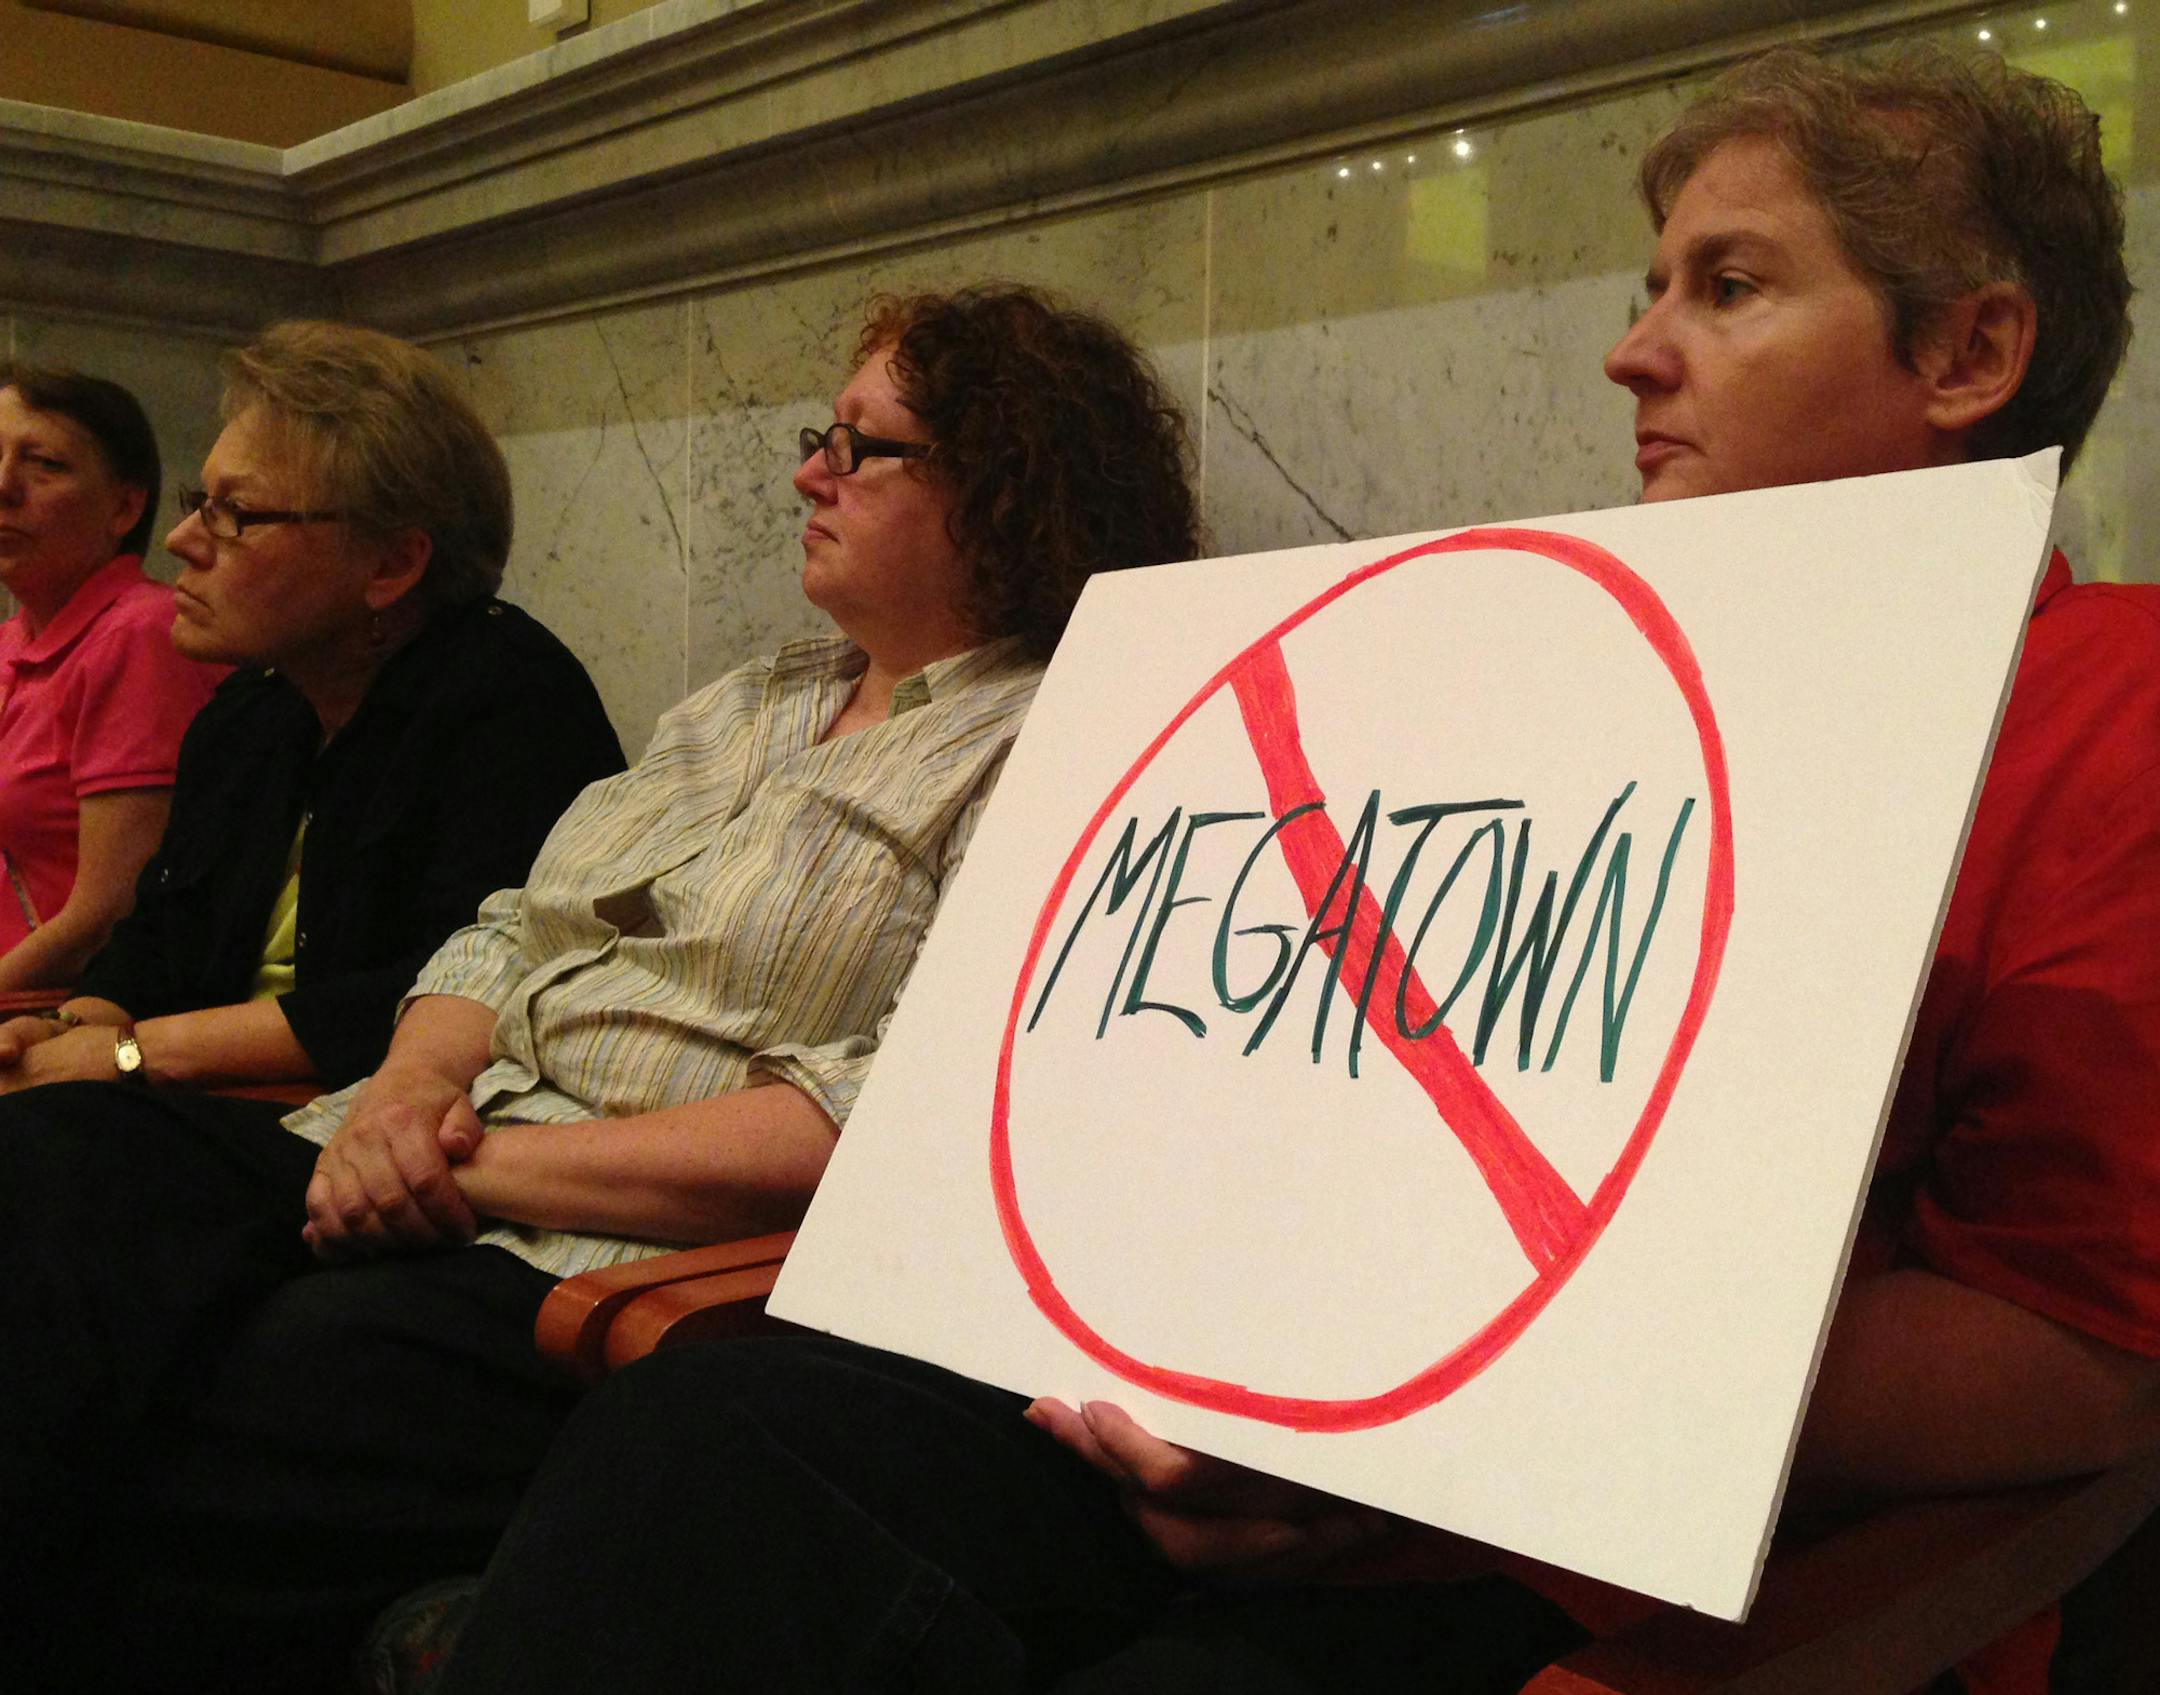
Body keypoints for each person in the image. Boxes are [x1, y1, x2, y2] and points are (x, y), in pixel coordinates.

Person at [430, 45, 2160, 1695]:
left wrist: (1390, 1420)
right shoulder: (1572, 671)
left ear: (1968, 353)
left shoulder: (2112, 715)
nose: (1635, 355)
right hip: (1226, 1419)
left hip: (1607, 1547)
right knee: (713, 1450)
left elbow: (2075, 1365)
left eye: (1726, 288)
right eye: (1652, 287)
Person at [0, 283, 1198, 1694]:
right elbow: (507, 928)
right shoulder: (751, 697)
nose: (809, 470)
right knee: (58, 1164)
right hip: (415, 1136)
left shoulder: (1067, 734)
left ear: (1007, 487)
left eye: (861, 446)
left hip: (602, 1254)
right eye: (822, 433)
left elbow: (887, 1110)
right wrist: (405, 1090)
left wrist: (486, 1165)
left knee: (242, 1390)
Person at [0, 322, 624, 1095]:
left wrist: (130, 1051)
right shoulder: (253, 707)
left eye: (236, 512)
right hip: (206, 1112)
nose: (182, 538)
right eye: (201, 500)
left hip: (377, 1137)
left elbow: (462, 986)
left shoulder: (512, 699)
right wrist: (70, 1027)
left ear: (391, 563)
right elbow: (158, 939)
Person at [0, 364, 223, 993]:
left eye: (43, 464)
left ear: (125, 506)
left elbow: (105, 916)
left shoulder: (139, 634)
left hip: (64, 1017)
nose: (3, 486)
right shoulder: (13, 638)